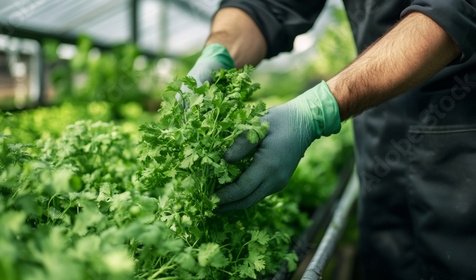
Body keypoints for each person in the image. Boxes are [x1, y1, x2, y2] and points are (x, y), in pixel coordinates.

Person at [185, 1, 476, 279]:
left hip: (461, 133)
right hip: (378, 121)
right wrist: (220, 51)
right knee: (388, 254)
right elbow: (267, 3)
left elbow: (452, 10)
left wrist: (319, 109)